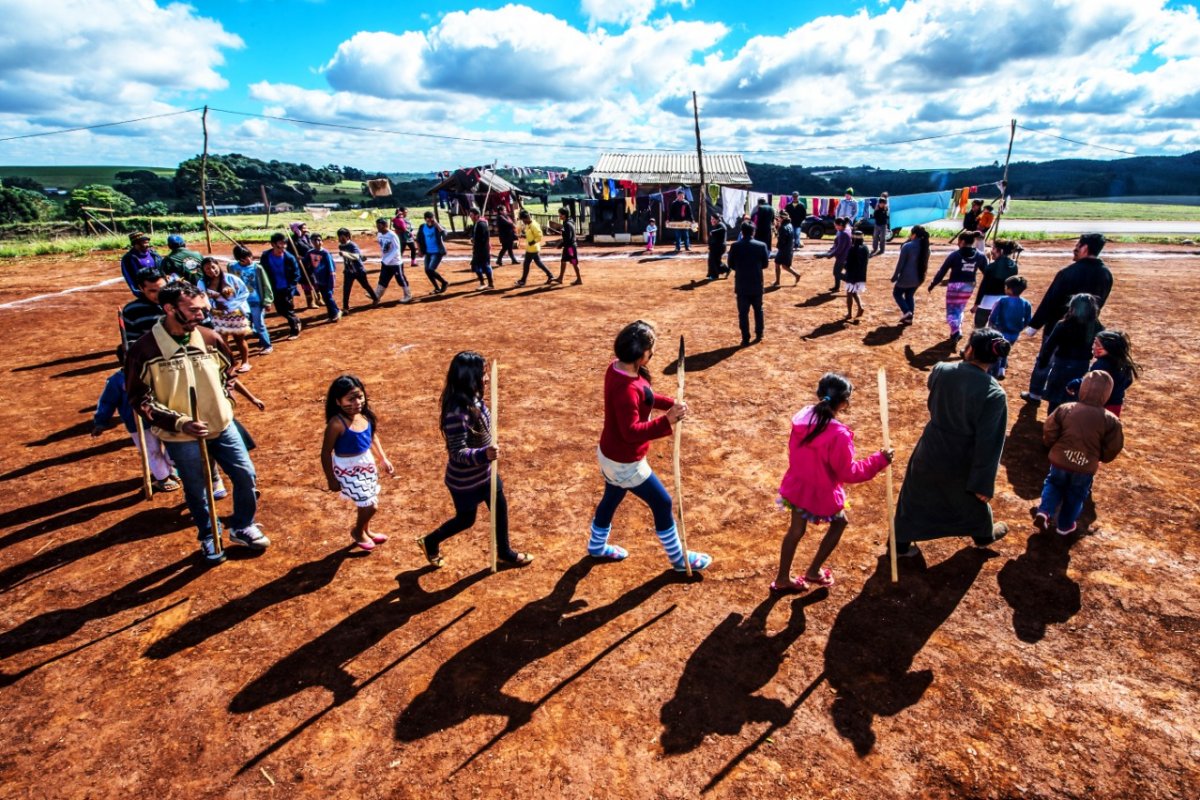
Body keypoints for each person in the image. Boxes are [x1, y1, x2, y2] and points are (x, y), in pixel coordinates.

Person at [125, 281, 270, 563]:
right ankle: (208, 534)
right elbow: (139, 399)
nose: (201, 315)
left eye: (203, 309)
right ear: (169, 309)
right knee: (197, 488)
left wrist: (223, 405)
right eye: (193, 310)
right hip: (181, 436)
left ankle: (242, 525)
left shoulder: (210, 338)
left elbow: (229, 374)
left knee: (246, 476)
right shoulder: (144, 350)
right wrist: (179, 422)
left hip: (222, 427)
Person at [586, 321, 711, 572]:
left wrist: (671, 404)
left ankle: (596, 546)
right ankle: (678, 559)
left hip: (611, 454)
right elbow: (631, 432)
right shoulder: (627, 389)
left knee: (612, 496)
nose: (653, 353)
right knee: (662, 503)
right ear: (641, 354)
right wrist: (666, 421)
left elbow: (646, 397)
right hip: (624, 460)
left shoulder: (619, 368)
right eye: (651, 348)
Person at [893, 327, 1012, 558]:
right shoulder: (995, 394)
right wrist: (983, 483)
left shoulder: (941, 369)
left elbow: (933, 386)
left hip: (930, 447)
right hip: (962, 458)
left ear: (969, 349)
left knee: (914, 495)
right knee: (970, 500)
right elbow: (990, 444)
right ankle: (983, 535)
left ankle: (899, 544)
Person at [772, 373, 893, 592]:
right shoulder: (838, 435)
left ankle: (782, 578)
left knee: (795, 531)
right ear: (845, 403)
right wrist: (880, 460)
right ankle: (814, 571)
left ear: (820, 394)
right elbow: (849, 473)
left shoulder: (803, 417)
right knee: (840, 522)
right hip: (822, 492)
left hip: (798, 486)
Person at [416, 351, 534, 568]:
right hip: (465, 481)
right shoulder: (456, 412)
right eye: (483, 374)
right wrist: (483, 454)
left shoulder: (475, 399)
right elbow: (457, 452)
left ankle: (505, 552)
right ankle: (430, 541)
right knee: (465, 520)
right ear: (468, 378)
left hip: (486, 473)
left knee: (500, 508)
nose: (487, 379)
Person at [1022, 233, 1113, 405]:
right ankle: (1068, 394)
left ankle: (1035, 393)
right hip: (1086, 331)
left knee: (1046, 359)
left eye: (1078, 245)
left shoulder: (1068, 272)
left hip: (1058, 327)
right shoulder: (1106, 274)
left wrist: (1034, 325)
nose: (1075, 248)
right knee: (1077, 364)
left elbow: (1050, 300)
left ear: (1085, 248)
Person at [1035, 370, 1124, 536]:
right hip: (1085, 466)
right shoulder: (1110, 420)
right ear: (1107, 394)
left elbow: (1050, 429)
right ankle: (1065, 525)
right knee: (1076, 494)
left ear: (1082, 387)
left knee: (1053, 484)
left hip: (1060, 460)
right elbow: (1113, 446)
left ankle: (1045, 511)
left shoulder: (1066, 409)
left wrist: (1051, 445)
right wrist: (1102, 457)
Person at [321, 374, 394, 551]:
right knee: (370, 505)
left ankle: (366, 530)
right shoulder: (336, 424)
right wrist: (331, 478)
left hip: (366, 464)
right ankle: (357, 532)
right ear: (338, 401)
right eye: (350, 399)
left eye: (359, 396)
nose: (357, 402)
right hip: (347, 469)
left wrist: (382, 458)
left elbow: (372, 438)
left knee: (368, 501)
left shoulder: (365, 417)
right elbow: (325, 453)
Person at [93, 355, 179, 494]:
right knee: (152, 451)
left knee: (171, 444)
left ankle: (170, 469)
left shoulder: (153, 373)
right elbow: (107, 402)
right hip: (137, 423)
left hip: (160, 418)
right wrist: (101, 422)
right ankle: (163, 478)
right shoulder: (116, 381)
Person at [1037, 293, 1103, 412]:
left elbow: (1050, 345)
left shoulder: (1063, 324)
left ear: (1072, 308)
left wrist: (1043, 361)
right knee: (1073, 397)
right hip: (1081, 366)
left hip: (1061, 365)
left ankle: (1053, 424)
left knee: (1055, 399)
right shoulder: (1097, 327)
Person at [927, 231, 986, 340]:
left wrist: (933, 283)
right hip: (969, 286)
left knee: (951, 312)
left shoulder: (955, 255)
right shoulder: (980, 256)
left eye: (958, 241)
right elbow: (987, 272)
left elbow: (942, 271)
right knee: (959, 309)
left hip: (955, 286)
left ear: (962, 241)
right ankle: (956, 330)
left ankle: (956, 332)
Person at [198, 256, 253, 374]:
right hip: (217, 315)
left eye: (213, 267)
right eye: (207, 269)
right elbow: (203, 297)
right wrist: (211, 308)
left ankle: (245, 362)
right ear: (204, 271)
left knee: (239, 339)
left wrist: (231, 305)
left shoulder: (231, 278)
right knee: (222, 341)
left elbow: (244, 292)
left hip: (235, 313)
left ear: (217, 265)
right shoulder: (202, 282)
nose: (211, 271)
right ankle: (231, 362)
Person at [1070, 330, 1139, 417]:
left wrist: (1076, 383)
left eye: (1097, 344)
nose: (1093, 346)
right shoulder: (1122, 363)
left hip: (1100, 407)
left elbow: (1092, 383)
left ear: (1108, 348)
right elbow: (1128, 381)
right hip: (1115, 405)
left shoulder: (1101, 364)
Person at [729, 221, 769, 346]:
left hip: (741, 284)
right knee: (758, 310)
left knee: (743, 313)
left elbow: (730, 264)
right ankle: (759, 333)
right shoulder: (761, 245)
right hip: (757, 283)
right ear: (753, 232)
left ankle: (745, 337)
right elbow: (765, 264)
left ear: (741, 232)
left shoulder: (735, 246)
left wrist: (741, 269)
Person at [228, 246, 274, 355]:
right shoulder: (232, 267)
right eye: (245, 258)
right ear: (239, 259)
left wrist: (268, 300)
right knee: (243, 324)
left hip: (256, 301)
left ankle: (267, 345)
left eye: (249, 256)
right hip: (241, 303)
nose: (249, 259)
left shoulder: (257, 268)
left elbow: (266, 285)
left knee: (259, 324)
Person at [985, 276, 1033, 379]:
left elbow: (993, 317)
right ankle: (1002, 369)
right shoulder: (1026, 303)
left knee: (996, 352)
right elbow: (1029, 320)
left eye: (1006, 287)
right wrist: (1020, 328)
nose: (1005, 288)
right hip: (1014, 333)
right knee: (1006, 349)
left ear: (1010, 289)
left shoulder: (1002, 300)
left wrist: (991, 328)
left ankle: (993, 374)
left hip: (1000, 331)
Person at [260, 232, 302, 340]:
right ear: (273, 244)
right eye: (279, 246)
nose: (282, 249)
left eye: (284, 245)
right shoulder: (265, 256)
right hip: (273, 287)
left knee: (288, 309)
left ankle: (294, 329)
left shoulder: (289, 258)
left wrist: (291, 288)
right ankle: (296, 320)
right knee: (280, 310)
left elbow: (296, 274)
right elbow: (262, 271)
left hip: (287, 288)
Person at [973, 239, 1021, 329]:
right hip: (1003, 302)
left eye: (994, 248)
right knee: (995, 329)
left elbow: (983, 286)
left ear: (1001, 251)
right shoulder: (1014, 266)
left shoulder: (991, 267)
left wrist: (976, 304)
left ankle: (975, 342)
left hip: (986, 302)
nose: (992, 251)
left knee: (979, 328)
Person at [889, 225, 929, 325]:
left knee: (897, 293)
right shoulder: (926, 248)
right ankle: (909, 318)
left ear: (914, 234)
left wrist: (895, 276)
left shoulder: (907, 246)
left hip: (906, 277)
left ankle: (907, 312)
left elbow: (900, 264)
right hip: (919, 278)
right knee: (909, 295)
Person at [336, 227, 378, 312]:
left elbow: (356, 256)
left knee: (365, 285)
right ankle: (345, 307)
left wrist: (345, 254)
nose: (340, 239)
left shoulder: (352, 245)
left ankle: (375, 298)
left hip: (358, 270)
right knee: (346, 289)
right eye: (339, 237)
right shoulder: (341, 246)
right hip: (348, 271)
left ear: (347, 237)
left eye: (342, 237)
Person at [122, 268, 168, 343]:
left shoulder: (179, 303)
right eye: (153, 291)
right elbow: (132, 341)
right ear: (141, 288)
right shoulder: (132, 311)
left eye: (162, 288)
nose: (159, 295)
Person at [374, 217, 412, 303]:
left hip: (395, 262)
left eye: (380, 226)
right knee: (383, 278)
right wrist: (384, 258)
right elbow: (382, 247)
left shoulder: (392, 235)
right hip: (385, 262)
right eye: (377, 226)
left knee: (400, 279)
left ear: (385, 225)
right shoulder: (379, 234)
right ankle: (377, 296)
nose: (378, 228)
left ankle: (408, 295)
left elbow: (396, 249)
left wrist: (387, 259)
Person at [307, 233, 342, 322]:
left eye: (319, 240)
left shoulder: (325, 253)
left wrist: (332, 281)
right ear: (311, 242)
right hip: (318, 279)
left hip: (327, 279)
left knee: (328, 297)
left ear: (322, 242)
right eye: (315, 240)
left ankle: (336, 312)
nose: (317, 242)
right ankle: (332, 315)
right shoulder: (310, 253)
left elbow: (331, 268)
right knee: (326, 298)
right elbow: (305, 262)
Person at [514, 209, 552, 286]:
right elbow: (531, 235)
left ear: (526, 218)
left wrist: (532, 242)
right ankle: (550, 275)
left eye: (523, 220)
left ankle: (523, 281)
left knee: (527, 264)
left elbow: (539, 236)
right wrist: (525, 236)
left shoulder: (534, 225)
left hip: (533, 248)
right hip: (531, 248)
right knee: (538, 263)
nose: (523, 221)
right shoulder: (529, 225)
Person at [416, 211, 450, 294]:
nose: (430, 221)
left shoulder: (437, 227)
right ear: (425, 219)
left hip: (437, 252)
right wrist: (419, 250)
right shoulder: (422, 227)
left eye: (432, 219)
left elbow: (444, 234)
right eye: (428, 220)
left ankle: (444, 282)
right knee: (427, 270)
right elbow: (418, 239)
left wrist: (437, 224)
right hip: (428, 252)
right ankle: (437, 288)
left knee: (430, 269)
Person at [817, 217, 851, 293]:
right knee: (838, 272)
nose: (835, 227)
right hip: (843, 256)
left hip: (842, 257)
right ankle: (837, 287)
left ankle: (850, 280)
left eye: (836, 225)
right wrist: (830, 251)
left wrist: (830, 255)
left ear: (841, 225)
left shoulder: (843, 234)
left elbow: (839, 249)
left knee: (836, 272)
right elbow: (837, 245)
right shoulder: (843, 232)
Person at [843, 230, 870, 320]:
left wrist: (844, 265)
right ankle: (860, 307)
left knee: (849, 293)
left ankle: (849, 314)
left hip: (852, 275)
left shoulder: (852, 249)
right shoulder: (866, 248)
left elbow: (848, 264)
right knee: (853, 292)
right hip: (861, 274)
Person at [289, 222, 316, 308]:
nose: (305, 230)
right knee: (306, 282)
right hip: (301, 265)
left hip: (310, 262)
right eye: (303, 228)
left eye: (305, 228)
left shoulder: (307, 237)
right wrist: (295, 257)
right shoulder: (292, 240)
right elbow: (289, 253)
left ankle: (318, 298)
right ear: (297, 230)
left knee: (314, 280)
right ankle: (310, 302)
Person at [468, 208, 494, 290]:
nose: (470, 217)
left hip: (482, 250)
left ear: (477, 215)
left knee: (482, 266)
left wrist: (475, 241)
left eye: (471, 215)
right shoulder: (478, 223)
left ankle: (488, 283)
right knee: (478, 266)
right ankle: (485, 283)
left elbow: (483, 238)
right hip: (479, 249)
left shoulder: (481, 224)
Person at [555, 207, 581, 285]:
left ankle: (579, 279)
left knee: (574, 262)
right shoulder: (570, 221)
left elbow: (568, 238)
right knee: (563, 261)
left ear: (564, 215)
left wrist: (561, 244)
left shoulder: (567, 224)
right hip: (569, 247)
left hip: (570, 248)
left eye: (560, 214)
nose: (559, 216)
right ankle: (560, 278)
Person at [771, 214, 800, 287]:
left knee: (778, 264)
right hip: (789, 248)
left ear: (782, 218)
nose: (778, 219)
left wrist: (778, 246)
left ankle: (777, 282)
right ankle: (796, 275)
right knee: (784, 265)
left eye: (779, 218)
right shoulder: (790, 225)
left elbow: (782, 240)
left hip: (783, 249)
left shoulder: (783, 227)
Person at [706, 214, 729, 281]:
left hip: (719, 247)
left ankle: (714, 275)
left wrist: (713, 232)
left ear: (717, 219)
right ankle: (726, 269)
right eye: (711, 219)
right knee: (714, 261)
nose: (711, 221)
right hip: (715, 247)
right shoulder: (716, 225)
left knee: (713, 260)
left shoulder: (721, 224)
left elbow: (723, 229)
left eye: (713, 219)